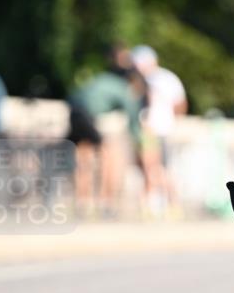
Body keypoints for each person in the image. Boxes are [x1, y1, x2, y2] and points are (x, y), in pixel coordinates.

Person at [67, 45, 146, 216]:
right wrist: (138, 140)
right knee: (108, 155)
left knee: (83, 158)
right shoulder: (124, 87)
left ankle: (82, 202)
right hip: (89, 117)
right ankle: (106, 203)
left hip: (75, 113)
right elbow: (132, 119)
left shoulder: (100, 79)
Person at [131, 45, 187, 213]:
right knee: (163, 168)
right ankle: (173, 205)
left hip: (152, 129)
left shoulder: (147, 80)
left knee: (152, 168)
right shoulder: (168, 78)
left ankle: (149, 204)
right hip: (164, 128)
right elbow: (180, 105)